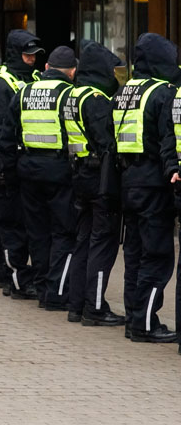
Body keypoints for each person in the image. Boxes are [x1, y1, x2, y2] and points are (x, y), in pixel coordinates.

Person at [115, 33, 177, 342]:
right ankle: (145, 324)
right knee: (158, 256)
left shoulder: (125, 91)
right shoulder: (163, 93)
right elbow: (169, 139)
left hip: (129, 182)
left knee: (135, 256)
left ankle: (133, 319)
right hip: (154, 183)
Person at [11, 46, 78, 311]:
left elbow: (9, 131)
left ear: (47, 67)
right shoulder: (69, 94)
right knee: (63, 231)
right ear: (72, 71)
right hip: (59, 170)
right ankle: (57, 292)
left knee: (37, 232)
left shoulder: (24, 91)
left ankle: (41, 288)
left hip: (27, 169)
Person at [64, 41, 123, 326]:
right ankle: (96, 307)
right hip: (99, 178)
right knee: (103, 243)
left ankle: (77, 305)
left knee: (83, 241)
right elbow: (107, 142)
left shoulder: (72, 95)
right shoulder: (96, 98)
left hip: (79, 175)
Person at [0, 29, 42, 299]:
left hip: (29, 167)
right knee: (10, 226)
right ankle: (12, 276)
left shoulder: (37, 80)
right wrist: (2, 168)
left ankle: (12, 274)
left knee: (23, 225)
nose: (32, 60)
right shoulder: (0, 83)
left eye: (35, 56)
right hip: (8, 166)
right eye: (27, 55)